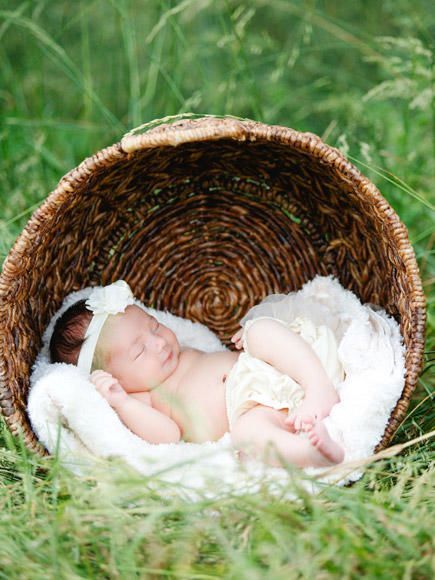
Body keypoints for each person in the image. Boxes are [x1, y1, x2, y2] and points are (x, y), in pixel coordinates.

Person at [50, 280, 345, 469]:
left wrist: (249, 339)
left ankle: (318, 386)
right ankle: (308, 452)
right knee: (248, 437)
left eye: (153, 326)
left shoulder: (185, 351)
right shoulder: (139, 399)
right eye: (139, 352)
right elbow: (168, 435)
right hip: (250, 412)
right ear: (116, 379)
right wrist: (122, 403)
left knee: (260, 329)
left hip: (268, 369)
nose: (158, 342)